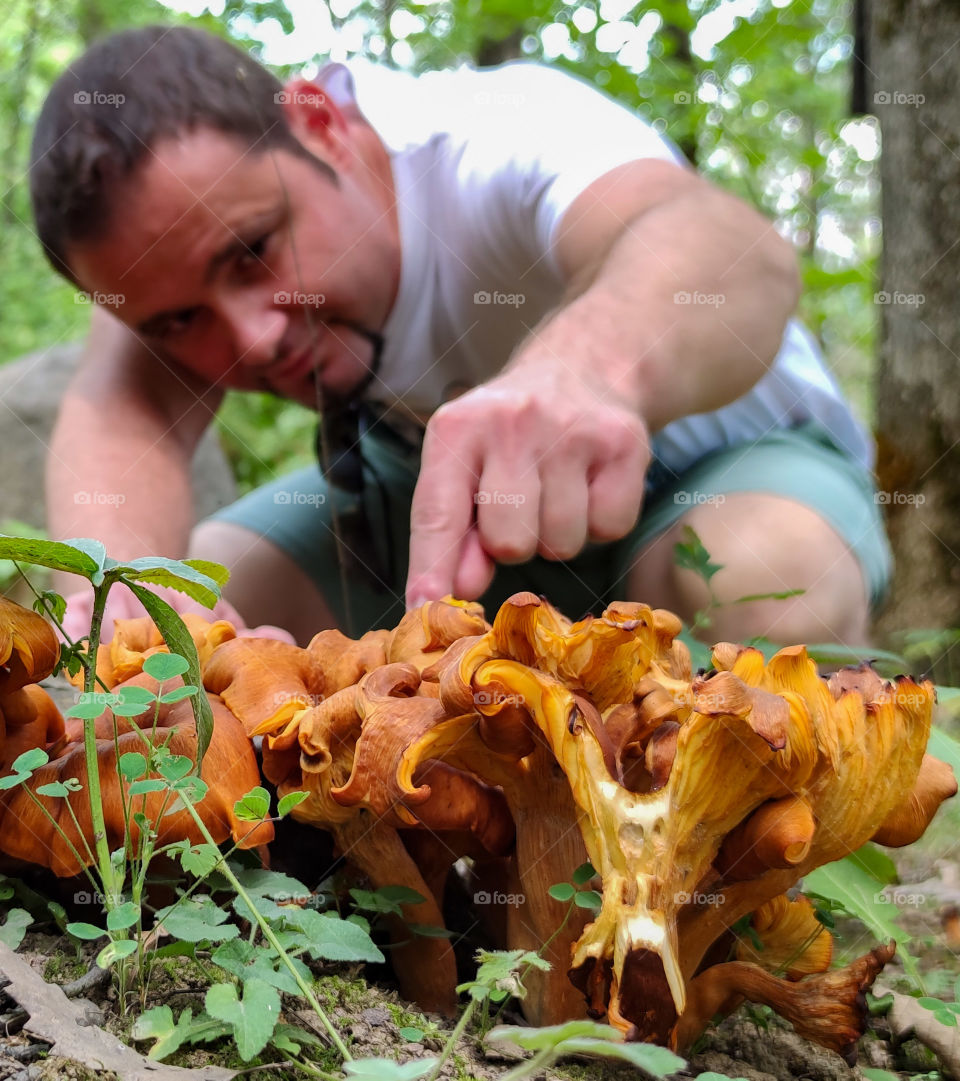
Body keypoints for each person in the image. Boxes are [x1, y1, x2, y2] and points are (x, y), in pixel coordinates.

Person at [30, 25, 889, 648]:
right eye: (179, 320)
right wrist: (124, 610)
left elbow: (728, 251)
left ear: (319, 123)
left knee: (759, 573)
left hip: (719, 465)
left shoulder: (498, 130)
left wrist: (584, 370)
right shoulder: (159, 258)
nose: (253, 339)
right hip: (451, 521)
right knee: (197, 600)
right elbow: (115, 418)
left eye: (253, 251)